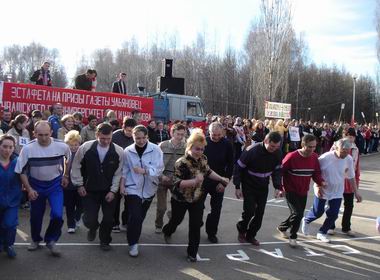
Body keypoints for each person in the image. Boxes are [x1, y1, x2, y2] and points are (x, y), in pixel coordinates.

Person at [162, 129, 229, 262]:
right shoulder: (181, 162)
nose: (200, 152)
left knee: (196, 224)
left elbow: (208, 171)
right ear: (190, 147)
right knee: (176, 220)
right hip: (180, 198)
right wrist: (195, 181)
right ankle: (167, 231)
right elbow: (177, 183)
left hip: (197, 198)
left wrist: (221, 178)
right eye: (197, 149)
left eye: (202, 149)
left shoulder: (203, 159)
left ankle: (192, 253)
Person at [15, 121, 70, 257]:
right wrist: (29, 189)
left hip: (55, 185)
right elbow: (21, 171)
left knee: (57, 214)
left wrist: (66, 175)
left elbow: (68, 159)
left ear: (51, 133)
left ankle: (51, 240)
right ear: (34, 134)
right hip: (36, 185)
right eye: (40, 135)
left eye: (46, 134)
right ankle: (35, 239)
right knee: (36, 216)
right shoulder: (28, 149)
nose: (44, 138)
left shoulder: (62, 145)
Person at [71, 123, 124, 251]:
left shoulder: (119, 151)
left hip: (109, 191)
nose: (106, 141)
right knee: (90, 219)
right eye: (102, 138)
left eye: (109, 139)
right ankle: (93, 227)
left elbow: (119, 173)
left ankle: (105, 241)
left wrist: (113, 190)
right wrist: (79, 185)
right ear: (97, 135)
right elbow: (76, 166)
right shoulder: (85, 147)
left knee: (108, 219)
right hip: (90, 190)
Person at [302, 138, 363, 243]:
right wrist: (317, 187)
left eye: (347, 152)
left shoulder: (348, 159)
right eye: (342, 151)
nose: (344, 154)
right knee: (318, 212)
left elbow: (351, 177)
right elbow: (316, 173)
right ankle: (306, 220)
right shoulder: (325, 157)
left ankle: (322, 232)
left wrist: (356, 192)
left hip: (337, 191)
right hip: (322, 188)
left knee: (334, 214)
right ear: (336, 148)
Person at [233, 132, 283, 246]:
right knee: (249, 210)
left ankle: (251, 235)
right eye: (272, 146)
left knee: (260, 213)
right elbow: (238, 168)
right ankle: (242, 230)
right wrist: (237, 186)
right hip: (249, 184)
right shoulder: (251, 150)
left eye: (276, 147)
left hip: (263, 185)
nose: (274, 149)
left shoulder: (278, 153)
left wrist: (277, 187)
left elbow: (277, 171)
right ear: (265, 141)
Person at [121, 125, 164, 257]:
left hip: (149, 188)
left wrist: (145, 171)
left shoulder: (156, 149)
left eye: (143, 138)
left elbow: (159, 169)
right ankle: (133, 243)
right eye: (137, 138)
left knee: (139, 217)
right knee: (135, 215)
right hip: (132, 186)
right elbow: (125, 169)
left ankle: (133, 231)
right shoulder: (127, 151)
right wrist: (122, 185)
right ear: (132, 137)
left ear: (147, 137)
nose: (140, 141)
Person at [277, 134, 325, 247]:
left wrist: (321, 183)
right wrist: (280, 188)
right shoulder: (291, 156)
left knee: (297, 214)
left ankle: (282, 227)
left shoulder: (314, 157)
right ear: (303, 145)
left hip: (303, 190)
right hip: (290, 190)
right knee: (298, 213)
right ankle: (293, 237)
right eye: (309, 147)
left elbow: (316, 173)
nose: (312, 149)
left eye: (314, 147)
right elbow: (279, 172)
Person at [201, 122, 234, 243]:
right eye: (213, 134)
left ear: (222, 133)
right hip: (202, 180)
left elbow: (231, 164)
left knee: (216, 209)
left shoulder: (227, 144)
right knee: (198, 206)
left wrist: (224, 182)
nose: (215, 137)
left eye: (218, 135)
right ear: (208, 132)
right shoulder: (203, 142)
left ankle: (211, 232)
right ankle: (198, 222)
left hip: (219, 180)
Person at [328, 128, 360, 236]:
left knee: (349, 205)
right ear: (343, 136)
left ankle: (346, 227)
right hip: (337, 179)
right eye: (348, 136)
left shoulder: (355, 149)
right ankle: (330, 225)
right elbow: (329, 161)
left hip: (349, 181)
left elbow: (356, 167)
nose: (350, 139)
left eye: (352, 137)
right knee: (334, 204)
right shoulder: (335, 146)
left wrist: (356, 182)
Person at [155, 123, 186, 233]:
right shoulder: (162, 146)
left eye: (182, 134)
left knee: (178, 207)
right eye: (178, 134)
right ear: (171, 133)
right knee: (161, 207)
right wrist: (161, 176)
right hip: (162, 179)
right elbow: (155, 163)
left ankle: (171, 220)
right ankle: (158, 225)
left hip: (176, 181)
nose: (180, 137)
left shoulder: (185, 147)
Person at [111, 117, 137, 232]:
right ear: (123, 127)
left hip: (130, 173)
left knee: (129, 199)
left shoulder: (137, 137)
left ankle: (125, 221)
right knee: (116, 199)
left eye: (132, 131)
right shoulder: (115, 136)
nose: (130, 134)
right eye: (128, 131)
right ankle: (115, 222)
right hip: (117, 171)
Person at [0, 135, 22, 258]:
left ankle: (9, 245)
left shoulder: (18, 162)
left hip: (12, 202)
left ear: (14, 148)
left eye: (10, 147)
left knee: (9, 224)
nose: (7, 150)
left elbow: (26, 178)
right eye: (4, 146)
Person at [63, 131, 83, 234]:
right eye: (71, 145)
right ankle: (71, 225)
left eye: (76, 145)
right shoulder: (64, 154)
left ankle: (77, 217)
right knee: (69, 206)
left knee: (81, 205)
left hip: (79, 184)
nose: (74, 147)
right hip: (68, 185)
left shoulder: (83, 154)